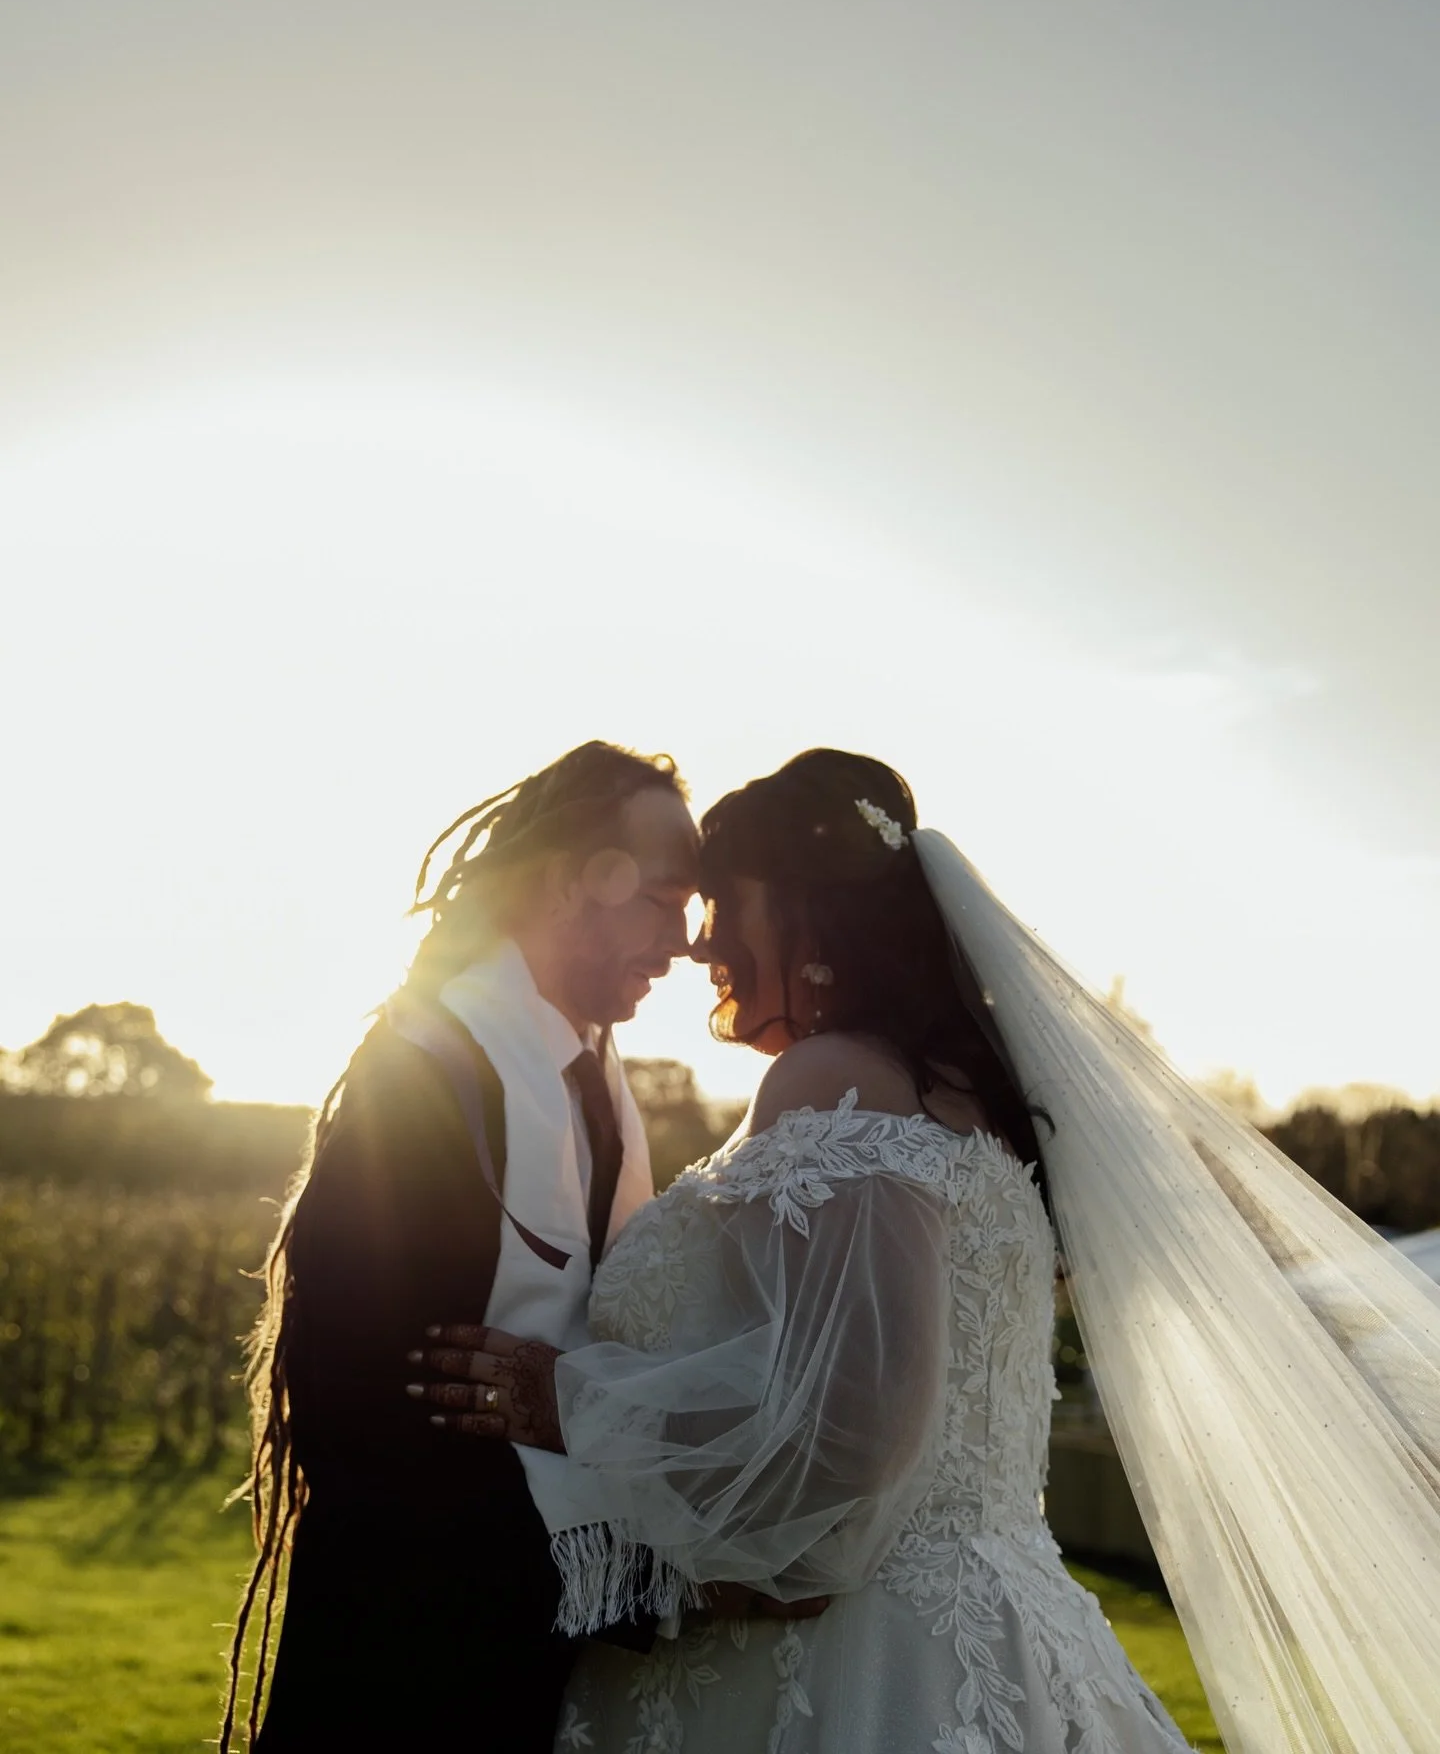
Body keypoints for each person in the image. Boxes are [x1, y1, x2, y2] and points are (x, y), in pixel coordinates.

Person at [418, 747, 1440, 1754]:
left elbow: (857, 1430)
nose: (700, 942)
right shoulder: (971, 1100)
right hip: (1003, 1613)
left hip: (853, 1660)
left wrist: (574, 1400)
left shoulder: (836, 1081)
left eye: (725, 901)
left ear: (805, 912)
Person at [221, 740, 701, 1752]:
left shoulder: (596, 1078)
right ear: (577, 879)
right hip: (410, 1652)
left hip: (534, 1641)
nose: (687, 940)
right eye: (666, 899)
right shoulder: (429, 1069)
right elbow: (358, 1381)